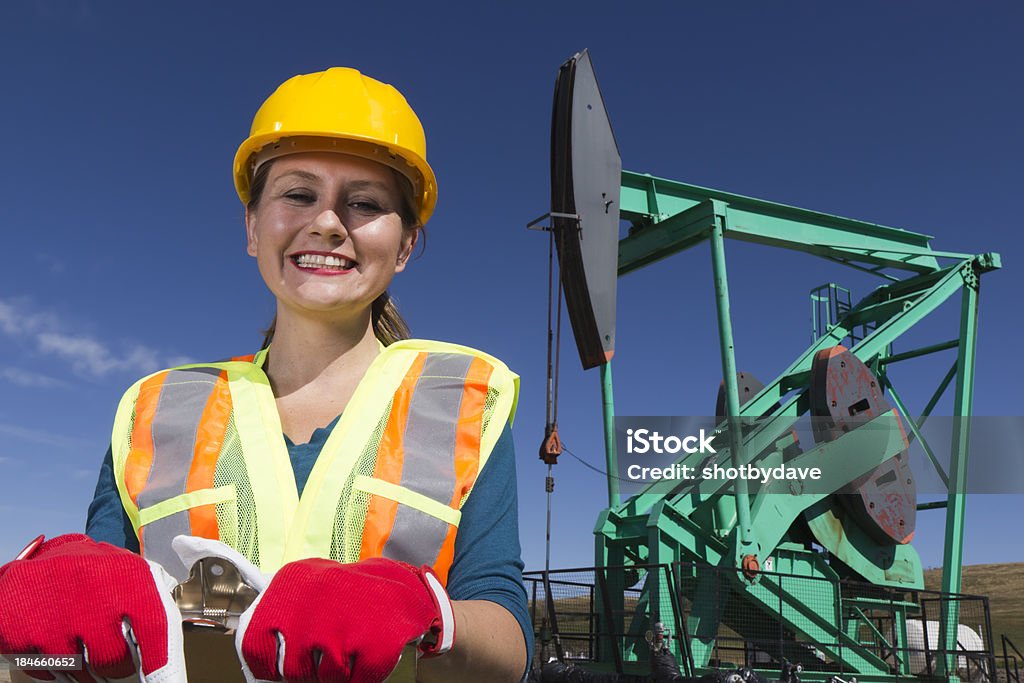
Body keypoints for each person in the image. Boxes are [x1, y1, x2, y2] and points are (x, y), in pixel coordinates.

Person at [0, 67, 532, 683]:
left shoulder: (461, 402)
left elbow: (507, 640)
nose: (329, 223)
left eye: (364, 203)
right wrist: (32, 652)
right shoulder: (155, 409)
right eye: (298, 194)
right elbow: (88, 648)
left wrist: (429, 616)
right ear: (253, 227)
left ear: (407, 244)